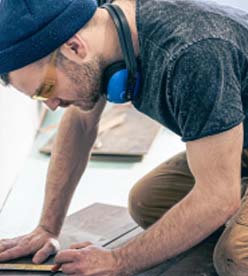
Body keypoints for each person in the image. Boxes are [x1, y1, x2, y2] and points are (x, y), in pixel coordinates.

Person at [0, 0, 248, 275]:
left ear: (74, 47)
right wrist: (47, 228)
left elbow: (218, 198)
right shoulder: (103, 31)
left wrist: (119, 261)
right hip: (241, 143)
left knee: (236, 254)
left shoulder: (193, 54)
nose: (52, 105)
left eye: (46, 88)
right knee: (146, 202)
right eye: (39, 97)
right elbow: (80, 124)